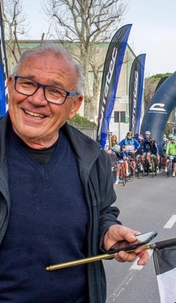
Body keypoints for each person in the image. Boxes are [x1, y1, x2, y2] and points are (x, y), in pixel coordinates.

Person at [0, 44, 148, 303]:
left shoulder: (93, 158)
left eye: (55, 91)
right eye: (27, 83)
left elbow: (103, 212)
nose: (36, 99)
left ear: (74, 105)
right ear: (10, 85)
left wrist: (108, 232)